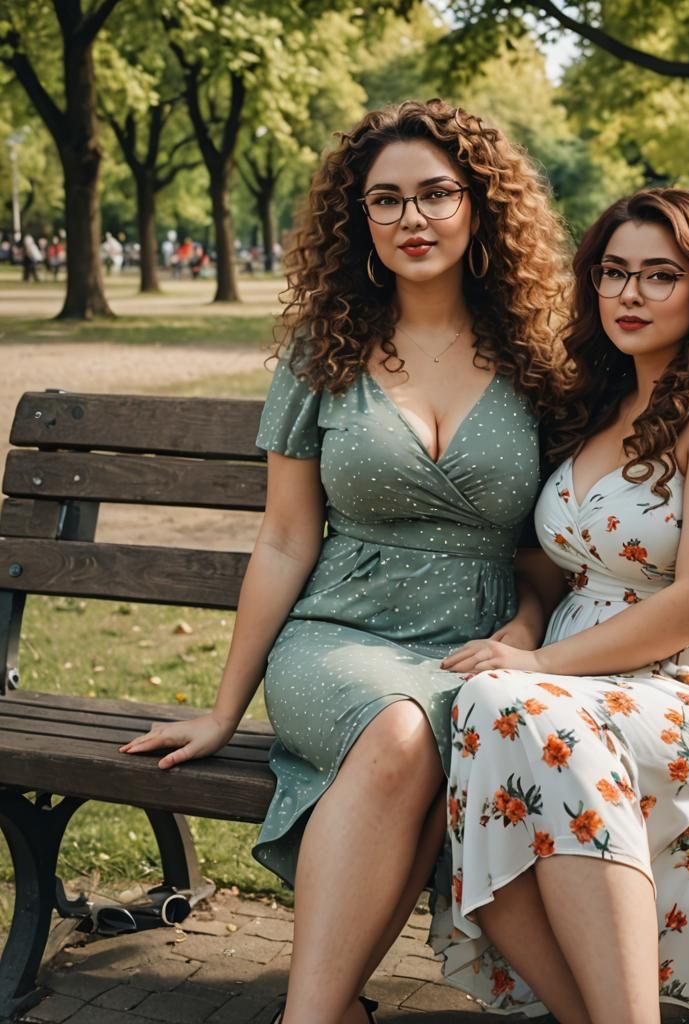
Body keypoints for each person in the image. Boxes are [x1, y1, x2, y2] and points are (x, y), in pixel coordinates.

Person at [119, 99, 570, 1024]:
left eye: (437, 194)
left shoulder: (540, 358)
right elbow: (286, 539)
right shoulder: (322, 351)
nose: (414, 219)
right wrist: (222, 711)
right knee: (402, 734)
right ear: (356, 219)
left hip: (478, 648)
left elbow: (548, 546)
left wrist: (523, 633)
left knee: (418, 741)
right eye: (387, 200)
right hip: (338, 639)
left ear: (478, 204)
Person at [434, 187, 689, 1024]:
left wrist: (537, 666)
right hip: (569, 680)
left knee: (513, 711)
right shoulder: (594, 405)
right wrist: (525, 631)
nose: (629, 295)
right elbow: (548, 567)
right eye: (613, 273)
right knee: (486, 712)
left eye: (660, 276)